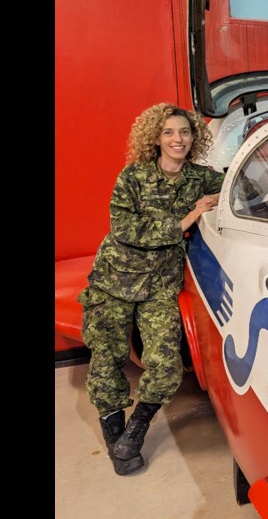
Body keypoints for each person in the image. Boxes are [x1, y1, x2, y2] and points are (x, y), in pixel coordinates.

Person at [78, 103, 224, 476]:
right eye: (169, 133)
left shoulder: (201, 178)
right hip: (115, 278)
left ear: (195, 138)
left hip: (159, 284)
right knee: (107, 358)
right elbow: (126, 229)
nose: (178, 139)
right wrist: (189, 218)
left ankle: (135, 431)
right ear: (155, 139)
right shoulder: (133, 176)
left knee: (166, 364)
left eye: (185, 132)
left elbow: (243, 190)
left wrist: (220, 199)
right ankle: (115, 434)